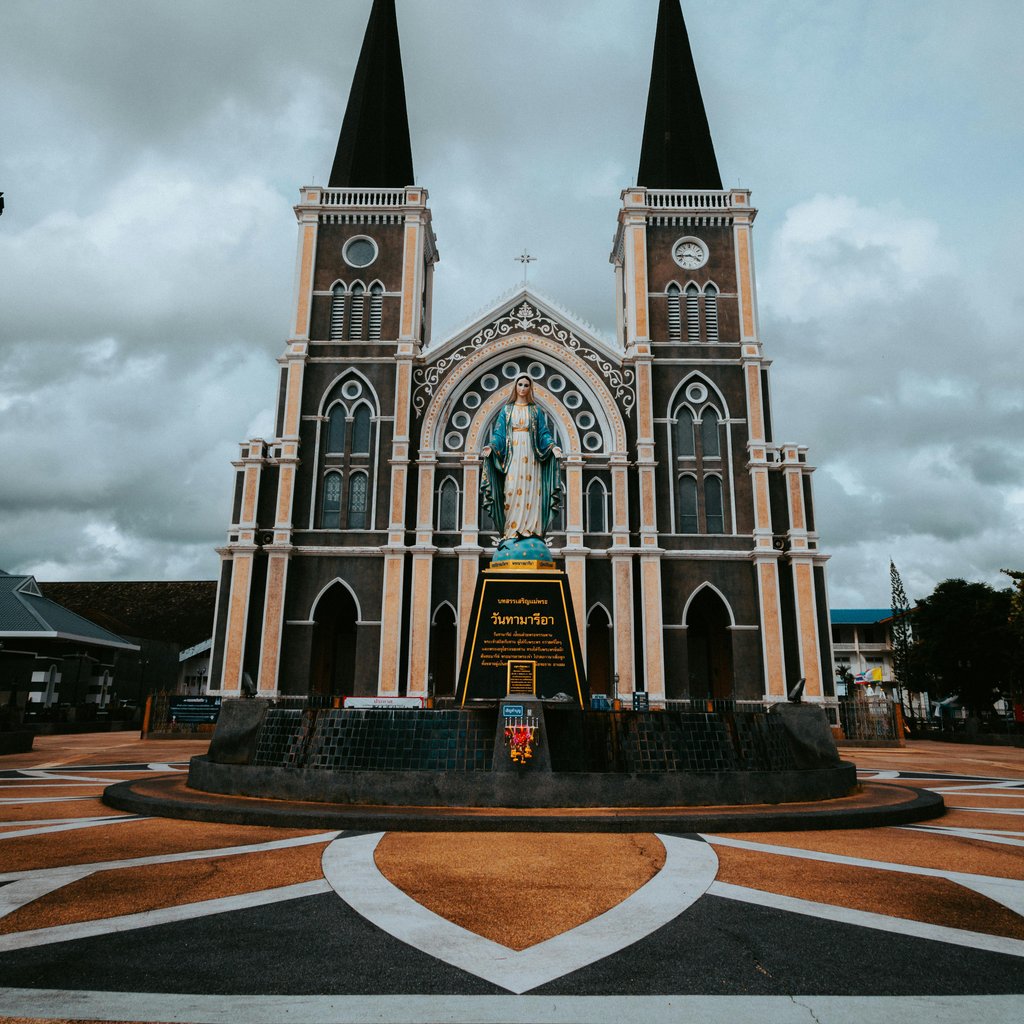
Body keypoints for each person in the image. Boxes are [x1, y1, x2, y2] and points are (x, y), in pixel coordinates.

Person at [481, 376, 563, 541]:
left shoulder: (535, 410)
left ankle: (531, 530)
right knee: (511, 489)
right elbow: (499, 433)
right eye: (520, 384)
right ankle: (511, 531)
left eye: (526, 385)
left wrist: (553, 446)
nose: (523, 388)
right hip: (514, 455)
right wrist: (492, 446)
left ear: (530, 388)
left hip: (531, 456)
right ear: (515, 387)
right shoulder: (507, 410)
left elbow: (543, 433)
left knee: (532, 490)